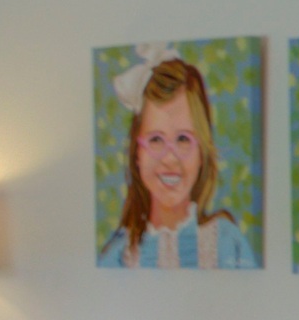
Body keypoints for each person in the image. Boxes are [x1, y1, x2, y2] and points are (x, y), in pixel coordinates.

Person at [101, 54, 256, 268]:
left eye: (183, 139)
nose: (170, 159)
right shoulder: (119, 256)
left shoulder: (228, 243)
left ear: (202, 150)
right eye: (155, 140)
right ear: (137, 153)